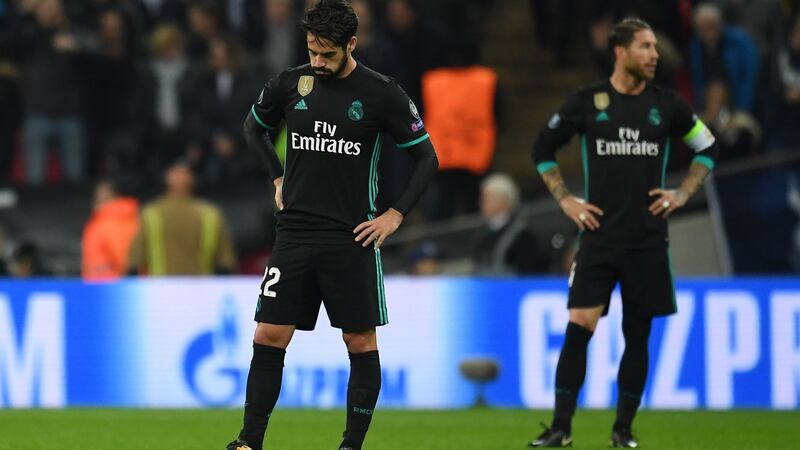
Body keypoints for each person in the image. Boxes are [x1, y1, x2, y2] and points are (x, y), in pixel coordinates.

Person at [225, 2, 438, 450]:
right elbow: (252, 128)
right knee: (267, 334)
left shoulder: (382, 93)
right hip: (295, 235)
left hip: (351, 237)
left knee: (359, 341)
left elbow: (426, 158)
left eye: (327, 55)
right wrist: (278, 176)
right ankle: (248, 442)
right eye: (312, 53)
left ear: (351, 45)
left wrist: (395, 214)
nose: (317, 63)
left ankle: (350, 446)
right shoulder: (291, 83)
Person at [528, 18, 718, 448]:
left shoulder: (668, 105)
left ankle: (623, 431)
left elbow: (707, 146)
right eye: (646, 46)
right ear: (620, 50)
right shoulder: (587, 101)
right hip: (598, 237)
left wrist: (683, 192)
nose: (654, 54)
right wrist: (566, 200)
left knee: (638, 333)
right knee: (580, 324)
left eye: (655, 47)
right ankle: (561, 428)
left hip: (648, 240)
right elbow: (542, 149)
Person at [127, 161, 237, 275]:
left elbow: (135, 260)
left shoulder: (151, 214)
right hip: (202, 289)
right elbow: (226, 263)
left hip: (161, 289)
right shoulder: (210, 215)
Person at [472, 173, 547, 275]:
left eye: (487, 198)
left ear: (503, 201)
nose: (480, 203)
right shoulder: (481, 232)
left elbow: (528, 272)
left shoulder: (523, 236)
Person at [81, 178, 140, 281]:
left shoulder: (114, 221)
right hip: (102, 286)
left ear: (115, 197)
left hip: (110, 287)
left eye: (104, 198)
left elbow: (127, 261)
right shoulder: (105, 220)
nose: (98, 203)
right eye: (97, 198)